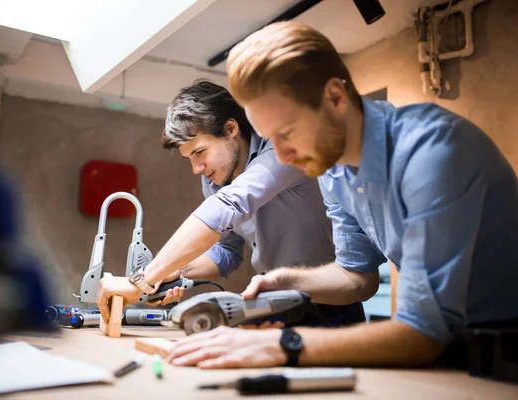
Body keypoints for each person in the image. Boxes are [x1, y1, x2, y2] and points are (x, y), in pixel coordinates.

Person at [165, 21, 518, 369]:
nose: (284, 156)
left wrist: (280, 344)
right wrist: (289, 280)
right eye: (270, 137)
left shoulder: (433, 153)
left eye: (287, 132)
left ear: (335, 97)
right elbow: (357, 278)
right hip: (450, 348)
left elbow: (423, 332)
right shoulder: (335, 173)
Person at [96, 79, 365, 327]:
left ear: (230, 129)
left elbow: (229, 206)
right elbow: (227, 251)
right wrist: (176, 272)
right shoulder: (215, 179)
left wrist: (144, 279)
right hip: (276, 306)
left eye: (200, 152)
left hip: (333, 306)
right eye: (189, 157)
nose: (197, 168)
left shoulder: (284, 152)